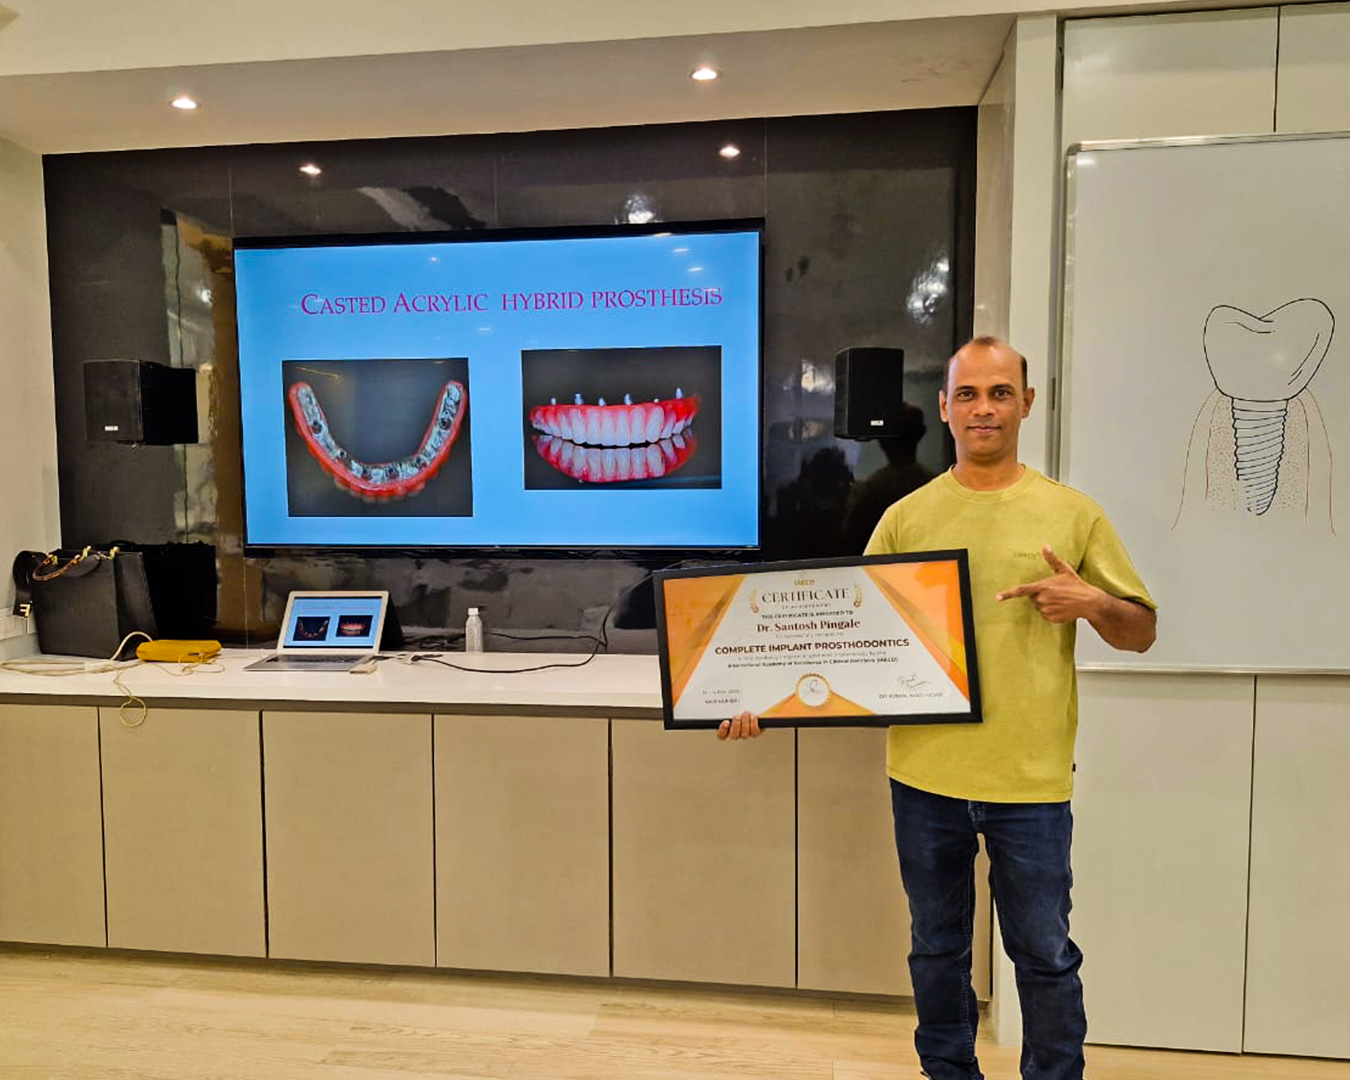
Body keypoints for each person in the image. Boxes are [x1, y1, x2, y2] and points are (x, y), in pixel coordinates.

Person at [720, 336, 1156, 1080]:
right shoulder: (906, 518)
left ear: (1026, 402)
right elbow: (845, 638)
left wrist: (1094, 603)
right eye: (968, 395)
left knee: (1045, 953)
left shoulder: (1073, 514)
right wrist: (760, 695)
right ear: (948, 410)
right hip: (924, 775)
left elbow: (1141, 631)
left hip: (1031, 778)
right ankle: (948, 1072)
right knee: (937, 947)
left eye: (998, 393)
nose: (983, 408)